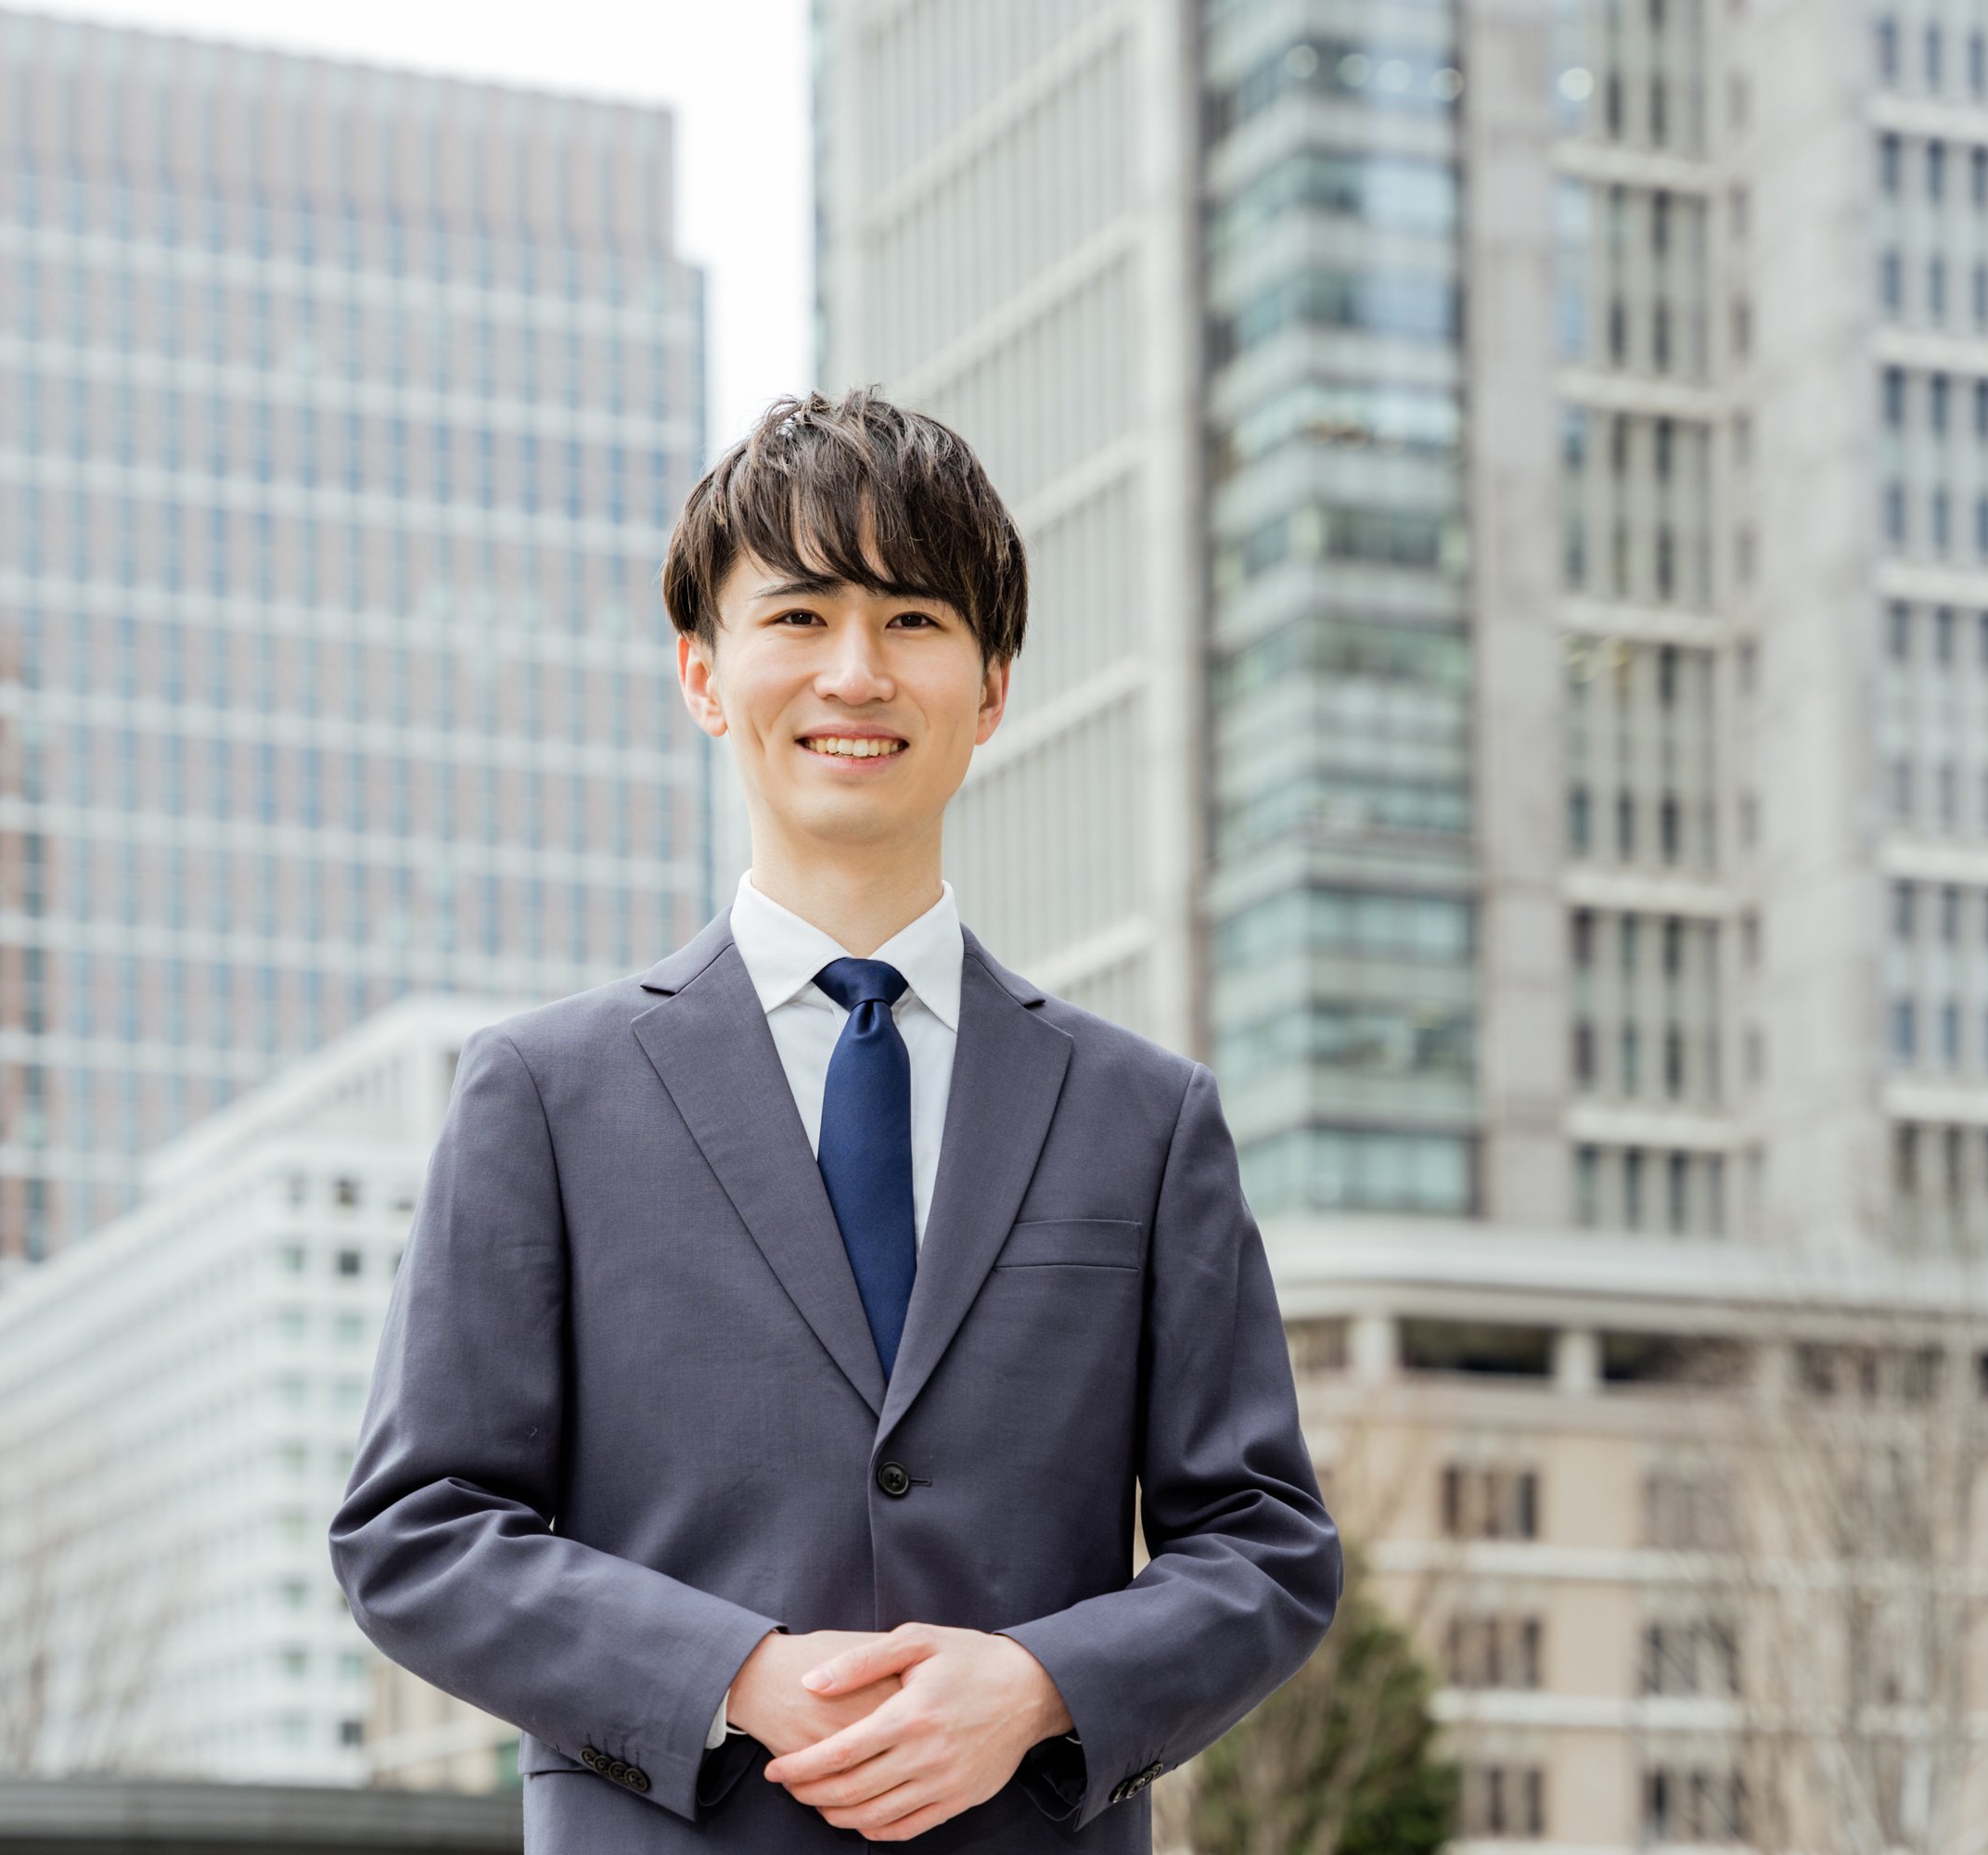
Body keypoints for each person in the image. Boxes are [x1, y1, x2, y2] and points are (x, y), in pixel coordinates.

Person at [328, 389, 1340, 1850]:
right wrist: (729, 1675)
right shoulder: (543, 1094)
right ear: (701, 671)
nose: (856, 674)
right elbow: (414, 1529)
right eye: (799, 619)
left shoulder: (1145, 1117)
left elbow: (1265, 1545)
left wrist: (1042, 1685)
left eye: (916, 622)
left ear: (992, 689)